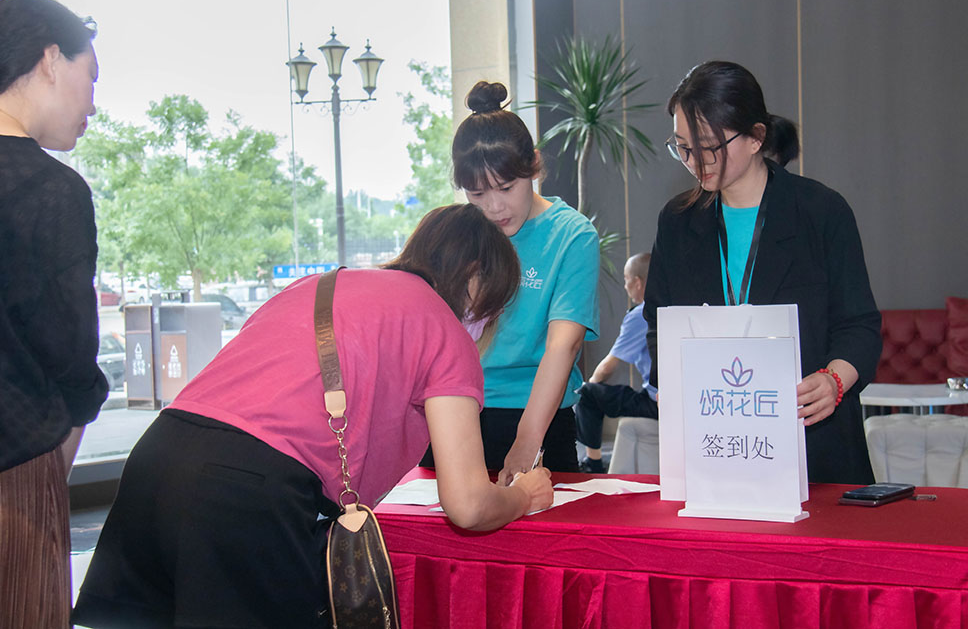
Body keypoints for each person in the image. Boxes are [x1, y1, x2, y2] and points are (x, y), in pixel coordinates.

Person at [72, 204, 554, 629]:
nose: (486, 321)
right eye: (492, 306)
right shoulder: (443, 327)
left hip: (157, 458)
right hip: (245, 491)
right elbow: (468, 504)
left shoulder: (321, 285)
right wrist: (522, 497)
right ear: (475, 277)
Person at [645, 60, 882, 485]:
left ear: (755, 138)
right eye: (681, 146)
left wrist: (833, 382)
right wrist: (669, 388)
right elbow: (659, 325)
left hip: (814, 442)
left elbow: (859, 326)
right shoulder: (678, 222)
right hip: (715, 444)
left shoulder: (820, 212)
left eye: (709, 145)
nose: (695, 160)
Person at [0, 0, 107, 629]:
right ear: (48, 60)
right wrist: (54, 453)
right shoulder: (49, 189)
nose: (92, 102)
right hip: (15, 470)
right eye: (89, 76)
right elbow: (70, 352)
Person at [451, 80, 600, 485]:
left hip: (541, 417)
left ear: (534, 166)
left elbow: (563, 345)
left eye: (505, 188)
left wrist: (528, 439)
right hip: (459, 417)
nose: (494, 207)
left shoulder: (571, 235)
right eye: (477, 194)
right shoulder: (461, 234)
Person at [575, 252, 659, 473]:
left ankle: (593, 464)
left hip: (654, 404)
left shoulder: (641, 314)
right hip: (671, 401)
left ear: (638, 282)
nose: (625, 286)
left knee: (586, 394)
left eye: (626, 279)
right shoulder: (667, 308)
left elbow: (607, 367)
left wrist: (590, 387)